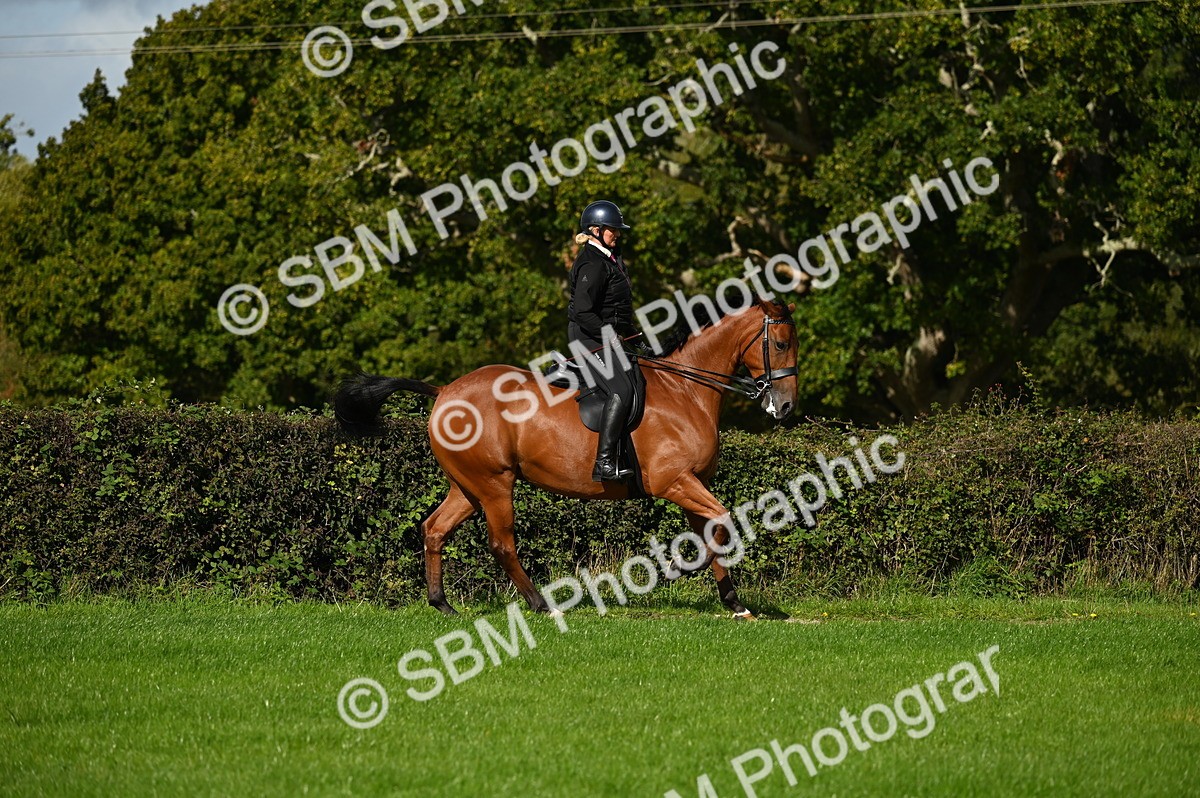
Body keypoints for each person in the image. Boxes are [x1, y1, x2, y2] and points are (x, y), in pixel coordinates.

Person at [568, 200, 640, 482]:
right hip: (588, 338)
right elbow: (583, 312)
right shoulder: (592, 263)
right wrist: (611, 336)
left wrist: (636, 337)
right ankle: (604, 463)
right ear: (595, 230)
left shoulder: (611, 259)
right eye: (613, 229)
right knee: (621, 389)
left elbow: (618, 308)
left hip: (605, 336)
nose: (618, 234)